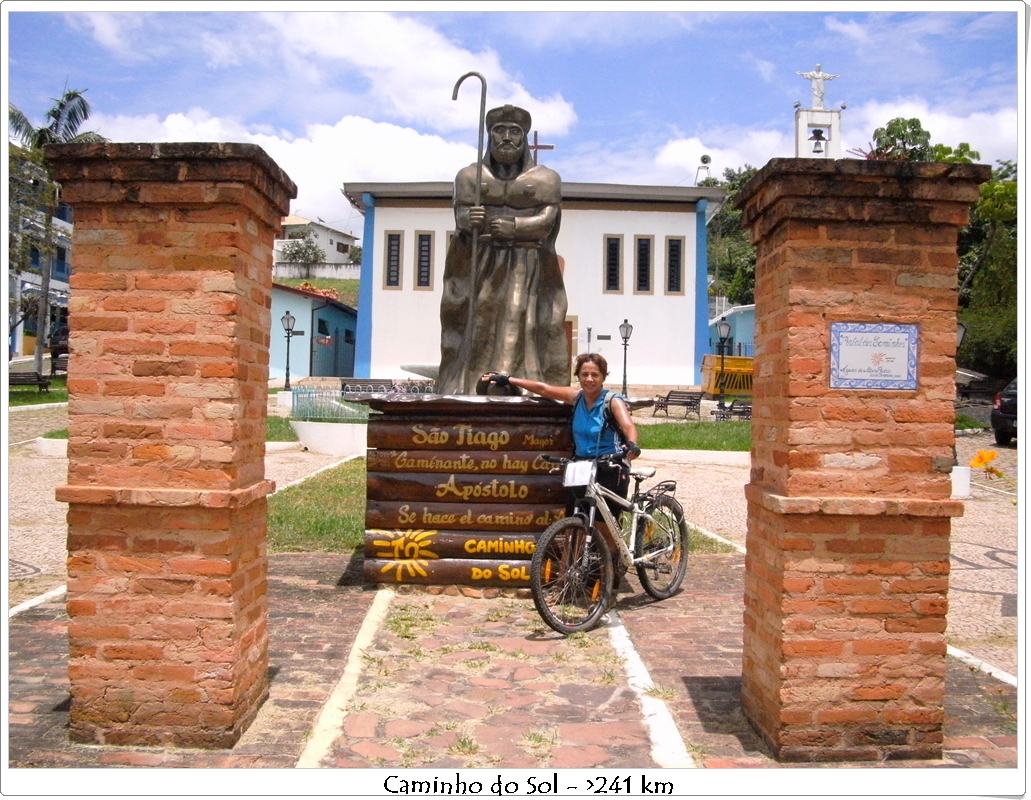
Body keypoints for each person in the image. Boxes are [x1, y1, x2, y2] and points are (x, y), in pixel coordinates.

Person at [484, 353, 641, 602]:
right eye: (585, 374)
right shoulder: (577, 397)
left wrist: (630, 447)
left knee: (603, 530)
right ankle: (566, 582)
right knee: (573, 528)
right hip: (581, 467)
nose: (589, 379)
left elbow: (628, 426)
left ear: (603, 377)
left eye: (595, 375)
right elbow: (544, 389)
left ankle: (609, 585)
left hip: (609, 467)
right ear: (578, 376)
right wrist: (509, 378)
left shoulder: (612, 401)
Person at [438, 104, 569, 395]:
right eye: (499, 131)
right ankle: (469, 387)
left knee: (522, 320)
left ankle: (524, 387)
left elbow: (547, 221)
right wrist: (467, 219)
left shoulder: (546, 178)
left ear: (523, 138)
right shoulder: (469, 176)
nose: (506, 137)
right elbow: (460, 216)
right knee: (479, 322)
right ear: (489, 137)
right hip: (482, 263)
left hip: (526, 264)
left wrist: (516, 227)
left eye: (514, 131)